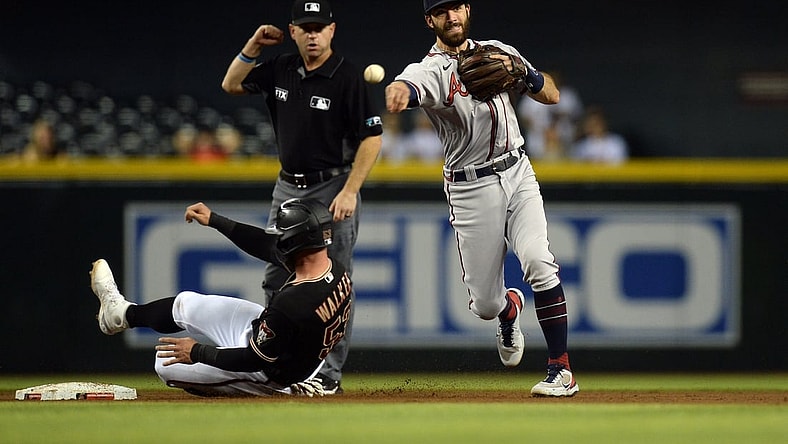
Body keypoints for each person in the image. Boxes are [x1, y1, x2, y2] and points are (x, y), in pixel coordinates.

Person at [385, 0, 579, 397]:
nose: (451, 17)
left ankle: (561, 370)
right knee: (485, 306)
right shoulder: (431, 70)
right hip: (470, 188)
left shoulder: (498, 51)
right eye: (441, 12)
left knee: (540, 262)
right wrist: (398, 91)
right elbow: (406, 83)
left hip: (518, 171)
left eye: (456, 7)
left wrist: (524, 71)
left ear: (467, 10)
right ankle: (509, 309)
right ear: (430, 21)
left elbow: (553, 96)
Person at [220, 0, 382, 394]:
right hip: (288, 186)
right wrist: (253, 47)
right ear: (292, 31)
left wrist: (350, 191)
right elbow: (231, 84)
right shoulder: (280, 68)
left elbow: (372, 138)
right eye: (305, 27)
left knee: (336, 282)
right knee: (276, 273)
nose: (312, 34)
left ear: (332, 31)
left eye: (319, 27)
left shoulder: (346, 77)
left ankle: (328, 376)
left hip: (332, 187)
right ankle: (277, 362)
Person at [88, 198, 352, 397]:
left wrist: (198, 352)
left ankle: (290, 392)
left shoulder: (294, 303)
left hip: (268, 372)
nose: (279, 240)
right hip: (280, 341)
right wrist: (215, 219)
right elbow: (265, 245)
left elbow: (254, 359)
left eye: (284, 235)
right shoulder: (330, 266)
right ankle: (119, 313)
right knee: (185, 304)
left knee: (165, 364)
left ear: (297, 242)